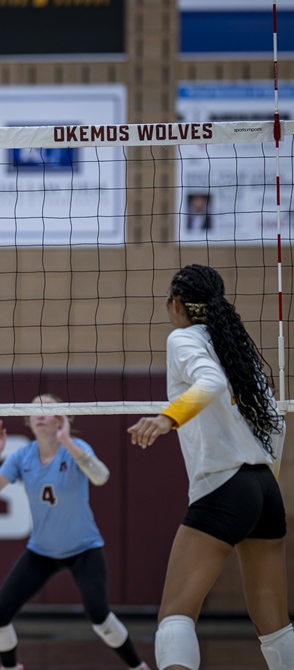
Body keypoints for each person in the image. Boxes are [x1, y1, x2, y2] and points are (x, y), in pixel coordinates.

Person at [127, 264, 292, 670]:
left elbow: (210, 383)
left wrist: (168, 417)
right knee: (275, 626)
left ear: (176, 304)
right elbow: (277, 421)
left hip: (225, 486)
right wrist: (264, 480)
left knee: (175, 617)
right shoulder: (237, 347)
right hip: (264, 489)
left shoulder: (183, 339)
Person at [0, 394, 150, 670]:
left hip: (84, 550)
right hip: (41, 552)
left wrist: (67, 441)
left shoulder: (76, 447)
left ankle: (138, 667)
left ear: (61, 417)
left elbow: (101, 476)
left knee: (100, 618)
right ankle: (10, 667)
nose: (40, 415)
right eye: (35, 411)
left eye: (48, 410)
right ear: (28, 420)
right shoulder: (23, 455)